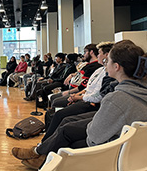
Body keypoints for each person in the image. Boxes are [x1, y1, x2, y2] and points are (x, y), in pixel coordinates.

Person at [11, 41, 147, 170]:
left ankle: (41, 155)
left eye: (108, 61)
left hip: (111, 149)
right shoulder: (138, 90)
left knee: (68, 132)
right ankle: (41, 154)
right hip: (131, 147)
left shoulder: (117, 98)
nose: (105, 64)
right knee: (68, 123)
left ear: (116, 66)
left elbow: (94, 137)